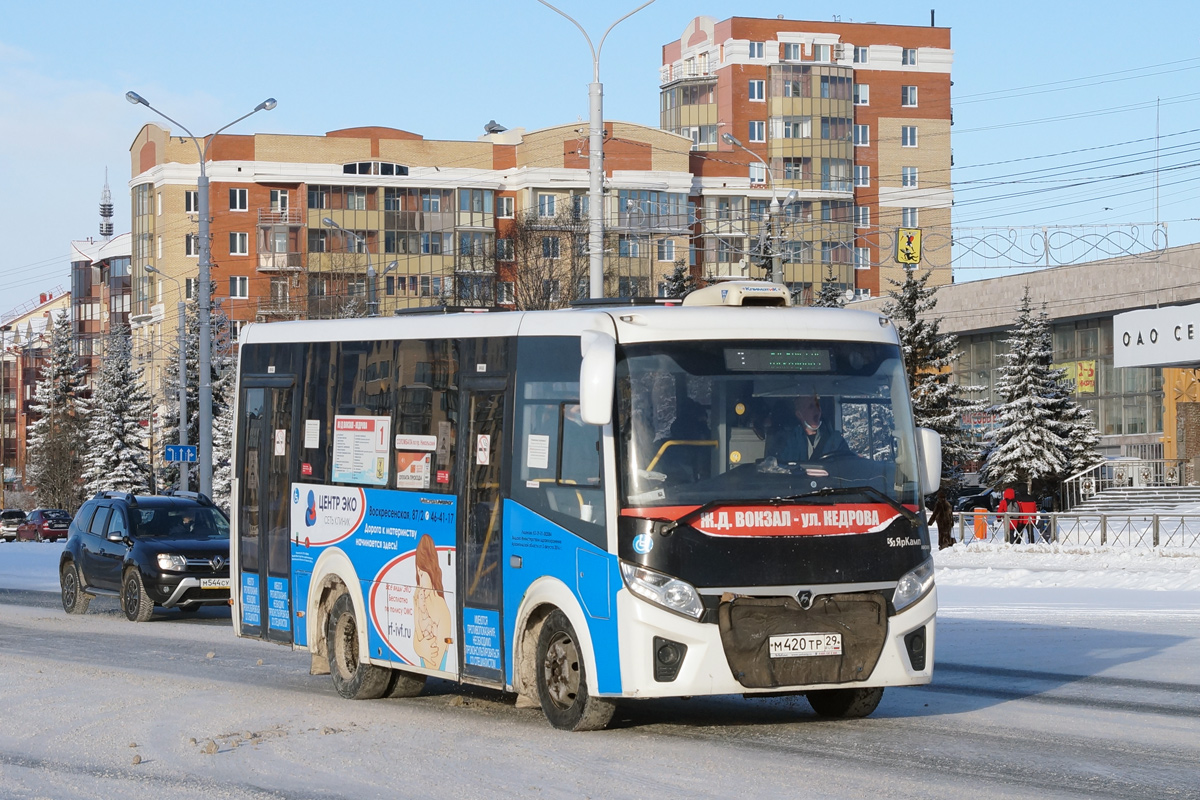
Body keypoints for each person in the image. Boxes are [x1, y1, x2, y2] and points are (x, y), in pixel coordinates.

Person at [767, 393, 850, 464]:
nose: (817, 410)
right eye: (811, 407)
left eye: (817, 405)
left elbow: (846, 465)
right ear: (799, 414)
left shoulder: (836, 440)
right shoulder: (786, 441)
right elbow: (777, 468)